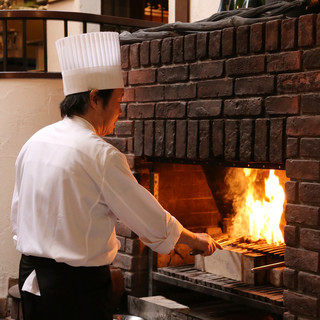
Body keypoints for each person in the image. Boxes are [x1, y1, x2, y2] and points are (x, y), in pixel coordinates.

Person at [11, 32, 222, 320]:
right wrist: (195, 240)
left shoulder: (34, 142)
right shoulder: (101, 155)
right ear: (95, 99)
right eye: (119, 101)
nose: (120, 112)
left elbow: (17, 215)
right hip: (76, 292)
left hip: (32, 281)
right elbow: (149, 219)